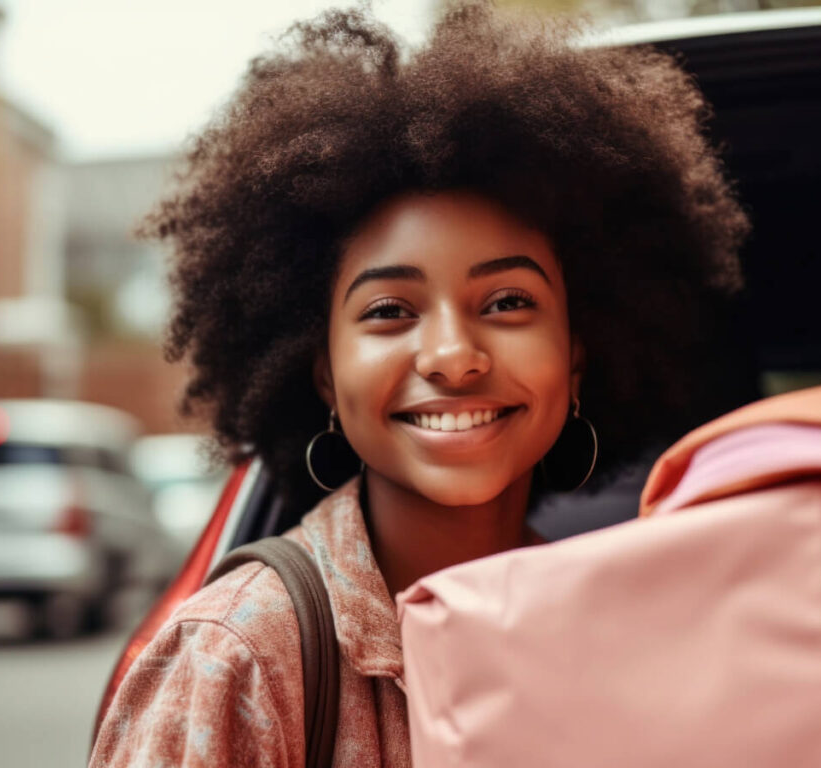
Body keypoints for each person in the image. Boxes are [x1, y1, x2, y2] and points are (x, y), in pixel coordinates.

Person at [90, 4, 749, 766]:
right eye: (390, 310)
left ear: (576, 358)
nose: (452, 356)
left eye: (507, 303)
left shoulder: (619, 638)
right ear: (325, 377)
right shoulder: (234, 660)